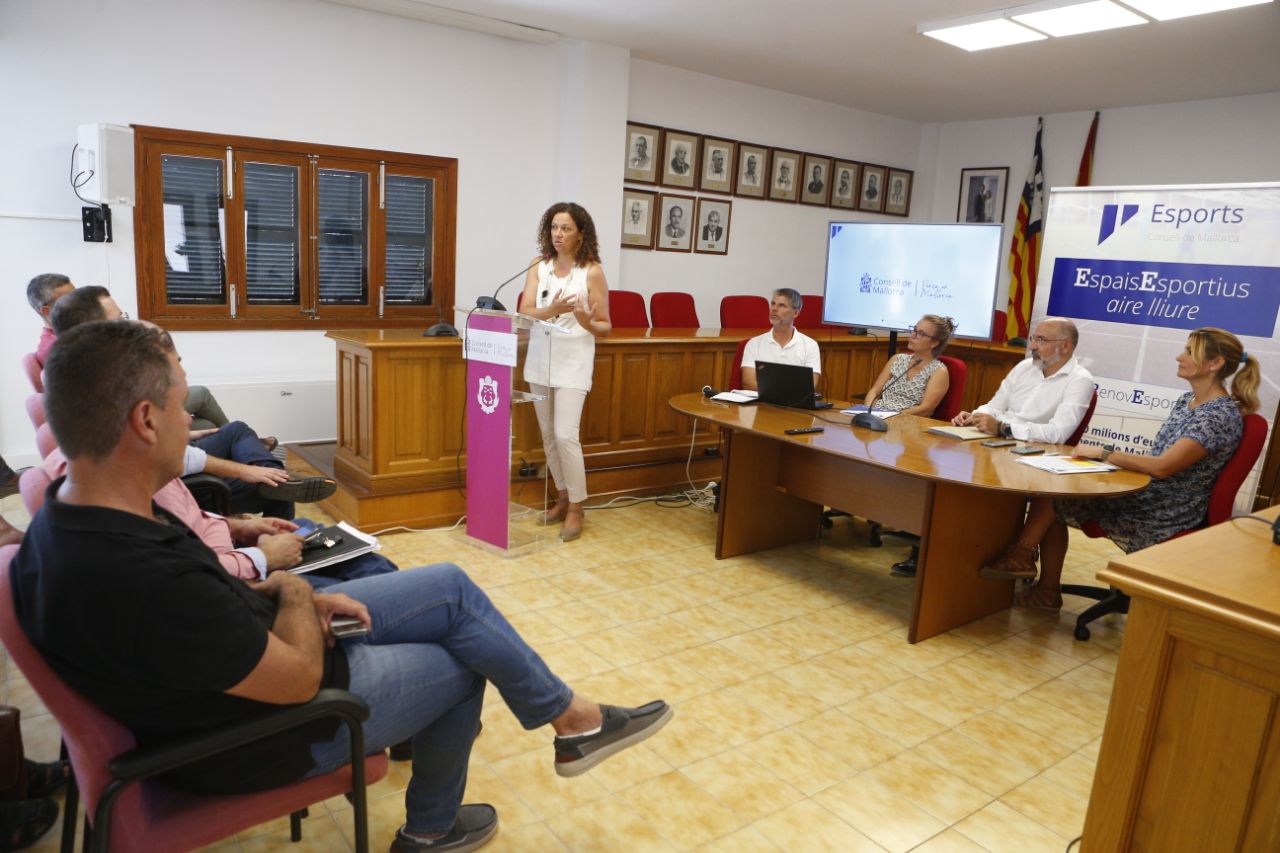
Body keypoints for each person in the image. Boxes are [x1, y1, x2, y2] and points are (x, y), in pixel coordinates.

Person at [13, 321, 669, 852]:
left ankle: (571, 718)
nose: (193, 426)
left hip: (236, 668)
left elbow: (202, 605)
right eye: (184, 408)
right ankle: (430, 830)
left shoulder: (75, 515)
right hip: (258, 731)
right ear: (147, 421)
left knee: (449, 587)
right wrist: (296, 592)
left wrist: (292, 595)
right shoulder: (136, 575)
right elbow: (295, 679)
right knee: (462, 665)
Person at [983, 328, 1259, 611]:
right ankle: (1040, 582)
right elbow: (1159, 459)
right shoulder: (1186, 402)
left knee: (1056, 497)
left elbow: (1164, 467)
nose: (1180, 356)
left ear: (1215, 364)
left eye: (1189, 351)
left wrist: (1105, 454)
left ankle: (1024, 559)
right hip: (1150, 490)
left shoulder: (1216, 416)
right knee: (1057, 490)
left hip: (1167, 508)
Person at [48, 286, 334, 518]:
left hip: (175, 479)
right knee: (272, 481)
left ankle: (267, 469)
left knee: (236, 431)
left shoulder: (82, 376)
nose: (127, 322)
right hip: (178, 484)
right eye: (118, 319)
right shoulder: (111, 386)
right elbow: (175, 460)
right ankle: (278, 500)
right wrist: (246, 472)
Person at [518, 203, 612, 542]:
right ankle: (561, 495)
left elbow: (605, 326)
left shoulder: (591, 271)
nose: (559, 234)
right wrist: (552, 310)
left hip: (573, 362)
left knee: (564, 435)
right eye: (555, 227)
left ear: (581, 233)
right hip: (540, 361)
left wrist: (585, 319)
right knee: (547, 435)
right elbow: (526, 311)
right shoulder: (537, 266)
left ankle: (577, 505)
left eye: (566, 228)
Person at [952, 317, 1094, 444]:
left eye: (1041, 340)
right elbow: (994, 407)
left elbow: (1058, 433)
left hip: (1030, 451)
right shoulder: (1025, 366)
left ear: (1065, 346)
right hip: (994, 441)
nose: (1032, 346)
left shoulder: (1080, 380)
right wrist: (976, 416)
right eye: (1033, 338)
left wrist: (1003, 429)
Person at [861, 316, 955, 417]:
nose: (912, 335)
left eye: (920, 333)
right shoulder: (897, 359)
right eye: (914, 330)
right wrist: (868, 411)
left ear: (934, 343)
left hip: (907, 422)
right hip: (876, 415)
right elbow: (874, 391)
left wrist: (892, 415)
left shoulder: (939, 371)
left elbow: (926, 409)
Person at [739, 289, 822, 391]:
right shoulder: (754, 344)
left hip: (794, 405)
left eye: (781, 305)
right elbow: (748, 383)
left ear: (795, 313)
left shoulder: (810, 345)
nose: (774, 308)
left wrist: (777, 392)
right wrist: (783, 391)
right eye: (773, 304)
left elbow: (811, 384)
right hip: (761, 404)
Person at [25, 273, 75, 368]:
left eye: (78, 295)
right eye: (69, 300)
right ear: (46, 310)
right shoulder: (54, 350)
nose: (80, 302)